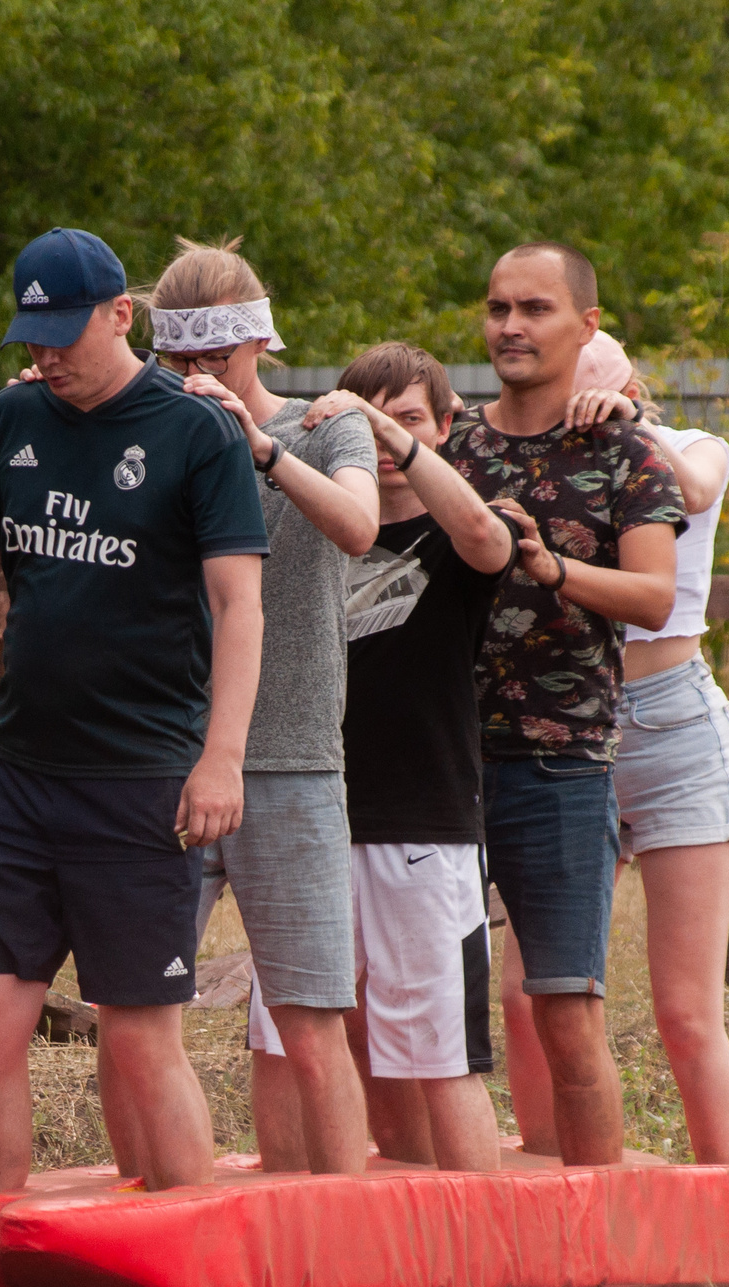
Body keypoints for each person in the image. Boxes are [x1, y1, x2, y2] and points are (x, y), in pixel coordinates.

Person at [0, 227, 268, 1287]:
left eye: (61, 336)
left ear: (119, 316)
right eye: (27, 339)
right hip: (19, 777)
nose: (44, 359)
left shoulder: (193, 436)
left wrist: (220, 755)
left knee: (139, 1036)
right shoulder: (12, 421)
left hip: (140, 782)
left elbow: (239, 607)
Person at [143, 239, 382, 1177]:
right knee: (140, 1017)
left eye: (221, 361)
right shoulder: (144, 428)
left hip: (290, 761)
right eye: (183, 364)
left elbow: (360, 526)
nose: (202, 380)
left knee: (312, 1022)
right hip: (164, 756)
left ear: (261, 346)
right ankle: (164, 1250)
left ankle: (350, 1266)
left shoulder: (327, 428)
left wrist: (261, 444)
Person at [446, 243, 682, 1169]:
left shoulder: (625, 452)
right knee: (426, 1015)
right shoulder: (455, 445)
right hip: (443, 767)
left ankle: (603, 1247)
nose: (510, 326)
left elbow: (656, 597)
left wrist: (555, 569)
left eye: (535, 309)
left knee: (566, 1014)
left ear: (586, 326)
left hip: (560, 763)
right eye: (498, 307)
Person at [287, 342, 516, 1169]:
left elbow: (489, 536)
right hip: (311, 815)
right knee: (309, 1043)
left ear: (445, 427)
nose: (384, 443)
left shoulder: (459, 534)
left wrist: (383, 429)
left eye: (408, 418)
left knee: (440, 1052)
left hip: (426, 825)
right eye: (370, 419)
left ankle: (479, 1272)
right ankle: (337, 1254)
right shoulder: (313, 528)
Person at [557, 330, 729, 1164]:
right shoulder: (529, 455)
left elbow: (701, 484)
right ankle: (563, 1193)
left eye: (598, 389)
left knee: (685, 1012)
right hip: (563, 718)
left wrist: (628, 429)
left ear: (629, 378)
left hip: (673, 723)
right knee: (547, 998)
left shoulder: (685, 445)